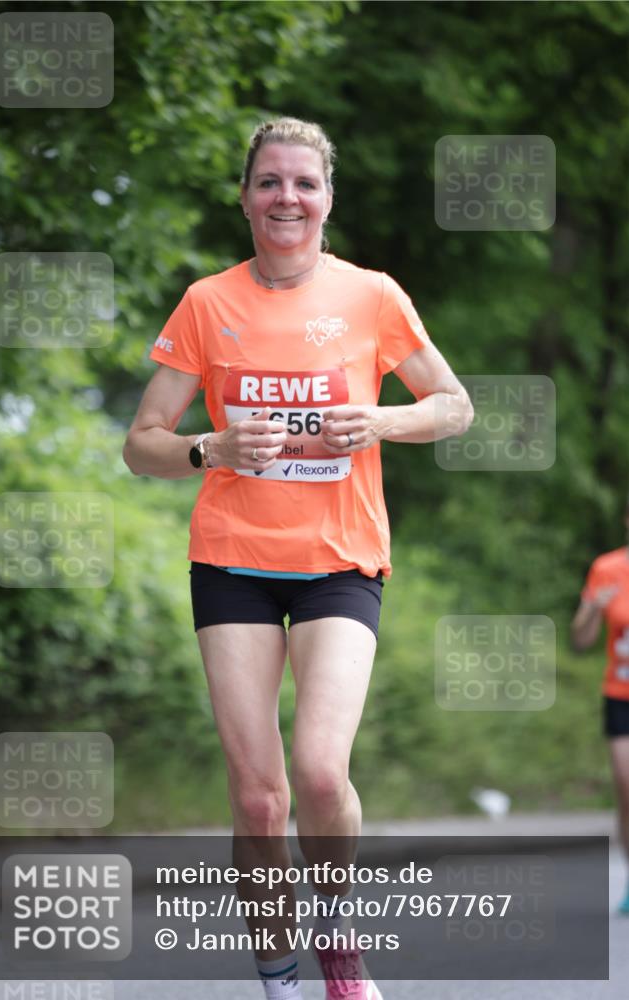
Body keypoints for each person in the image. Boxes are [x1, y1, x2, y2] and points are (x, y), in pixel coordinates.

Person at [123, 117, 474, 1000]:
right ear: (245, 198)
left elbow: (453, 405)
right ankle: (280, 982)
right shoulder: (207, 303)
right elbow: (141, 443)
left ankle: (338, 939)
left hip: (339, 559)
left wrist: (382, 419)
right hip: (233, 560)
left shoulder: (371, 296)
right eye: (269, 182)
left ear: (327, 199)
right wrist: (210, 447)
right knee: (258, 799)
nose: (287, 197)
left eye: (304, 183)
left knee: (319, 771)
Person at [571, 497, 629, 915]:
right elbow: (581, 640)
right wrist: (592, 608)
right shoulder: (607, 568)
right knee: (627, 786)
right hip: (620, 694)